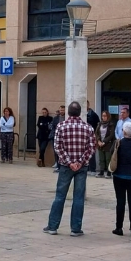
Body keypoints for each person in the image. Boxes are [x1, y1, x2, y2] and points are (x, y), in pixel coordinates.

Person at [44, 102, 95, 237]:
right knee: (78, 197)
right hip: (82, 167)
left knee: (60, 196)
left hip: (66, 166)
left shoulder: (61, 126)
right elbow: (91, 148)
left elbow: (58, 147)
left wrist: (69, 162)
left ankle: (53, 226)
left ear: (68, 112)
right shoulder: (88, 127)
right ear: (79, 112)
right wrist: (80, 162)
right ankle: (75, 228)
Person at [111, 121, 131, 237]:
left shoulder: (118, 143)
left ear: (124, 131)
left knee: (120, 202)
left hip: (120, 175)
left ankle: (119, 227)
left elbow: (113, 156)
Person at [95, 111, 116, 178]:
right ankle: (101, 172)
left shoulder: (111, 124)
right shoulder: (99, 124)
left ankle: (109, 172)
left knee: (108, 158)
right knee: (101, 158)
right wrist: (98, 141)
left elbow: (111, 135)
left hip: (108, 144)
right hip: (100, 143)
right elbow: (96, 133)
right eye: (103, 116)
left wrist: (104, 141)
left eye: (105, 116)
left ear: (108, 116)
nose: (104, 117)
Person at [49, 106, 66, 171]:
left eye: (63, 110)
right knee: (56, 151)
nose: (62, 111)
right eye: (61, 110)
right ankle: (58, 165)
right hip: (55, 136)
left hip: (64, 137)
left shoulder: (67, 118)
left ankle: (62, 165)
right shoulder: (55, 118)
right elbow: (52, 126)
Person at [86, 101, 100, 175]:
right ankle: (86, 168)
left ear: (88, 105)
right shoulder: (81, 114)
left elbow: (98, 126)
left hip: (91, 136)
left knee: (91, 152)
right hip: (83, 137)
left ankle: (92, 169)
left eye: (86, 104)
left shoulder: (93, 115)